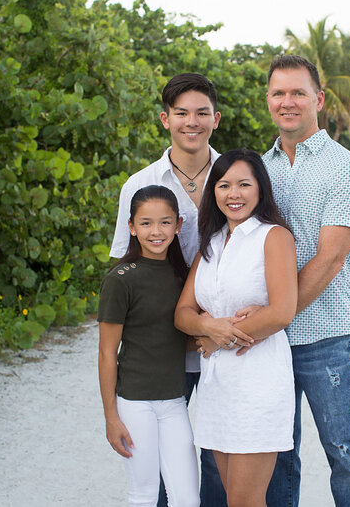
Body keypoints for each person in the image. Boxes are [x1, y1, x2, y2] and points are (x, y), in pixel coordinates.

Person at [261, 55, 350, 506]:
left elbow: (329, 260)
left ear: (319, 99)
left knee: (346, 453)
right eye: (278, 93)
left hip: (325, 335)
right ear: (268, 100)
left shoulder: (345, 168)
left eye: (297, 93)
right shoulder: (257, 168)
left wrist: (272, 317)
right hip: (269, 342)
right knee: (276, 456)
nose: (287, 102)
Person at [108, 73, 225, 506]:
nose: (190, 122)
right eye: (181, 114)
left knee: (216, 462)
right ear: (165, 119)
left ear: (216, 118)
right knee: (156, 469)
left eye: (201, 113)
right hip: (162, 352)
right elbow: (126, 268)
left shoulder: (235, 178)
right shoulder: (139, 184)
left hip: (221, 342)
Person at [174, 149, 298, 507]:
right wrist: (209, 328)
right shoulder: (211, 243)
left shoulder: (273, 236)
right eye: (225, 184)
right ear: (214, 191)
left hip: (258, 382)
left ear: (260, 189)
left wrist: (221, 338)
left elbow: (281, 311)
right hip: (218, 384)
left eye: (244, 184)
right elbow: (183, 313)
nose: (234, 193)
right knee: (232, 497)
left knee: (245, 500)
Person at [98, 185, 199, 507]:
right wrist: (111, 417)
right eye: (145, 223)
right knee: (142, 495)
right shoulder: (120, 279)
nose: (156, 231)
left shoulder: (183, 276)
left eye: (165, 222)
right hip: (135, 402)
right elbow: (106, 352)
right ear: (131, 227)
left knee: (187, 498)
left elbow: (183, 336)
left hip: (174, 401)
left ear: (179, 225)